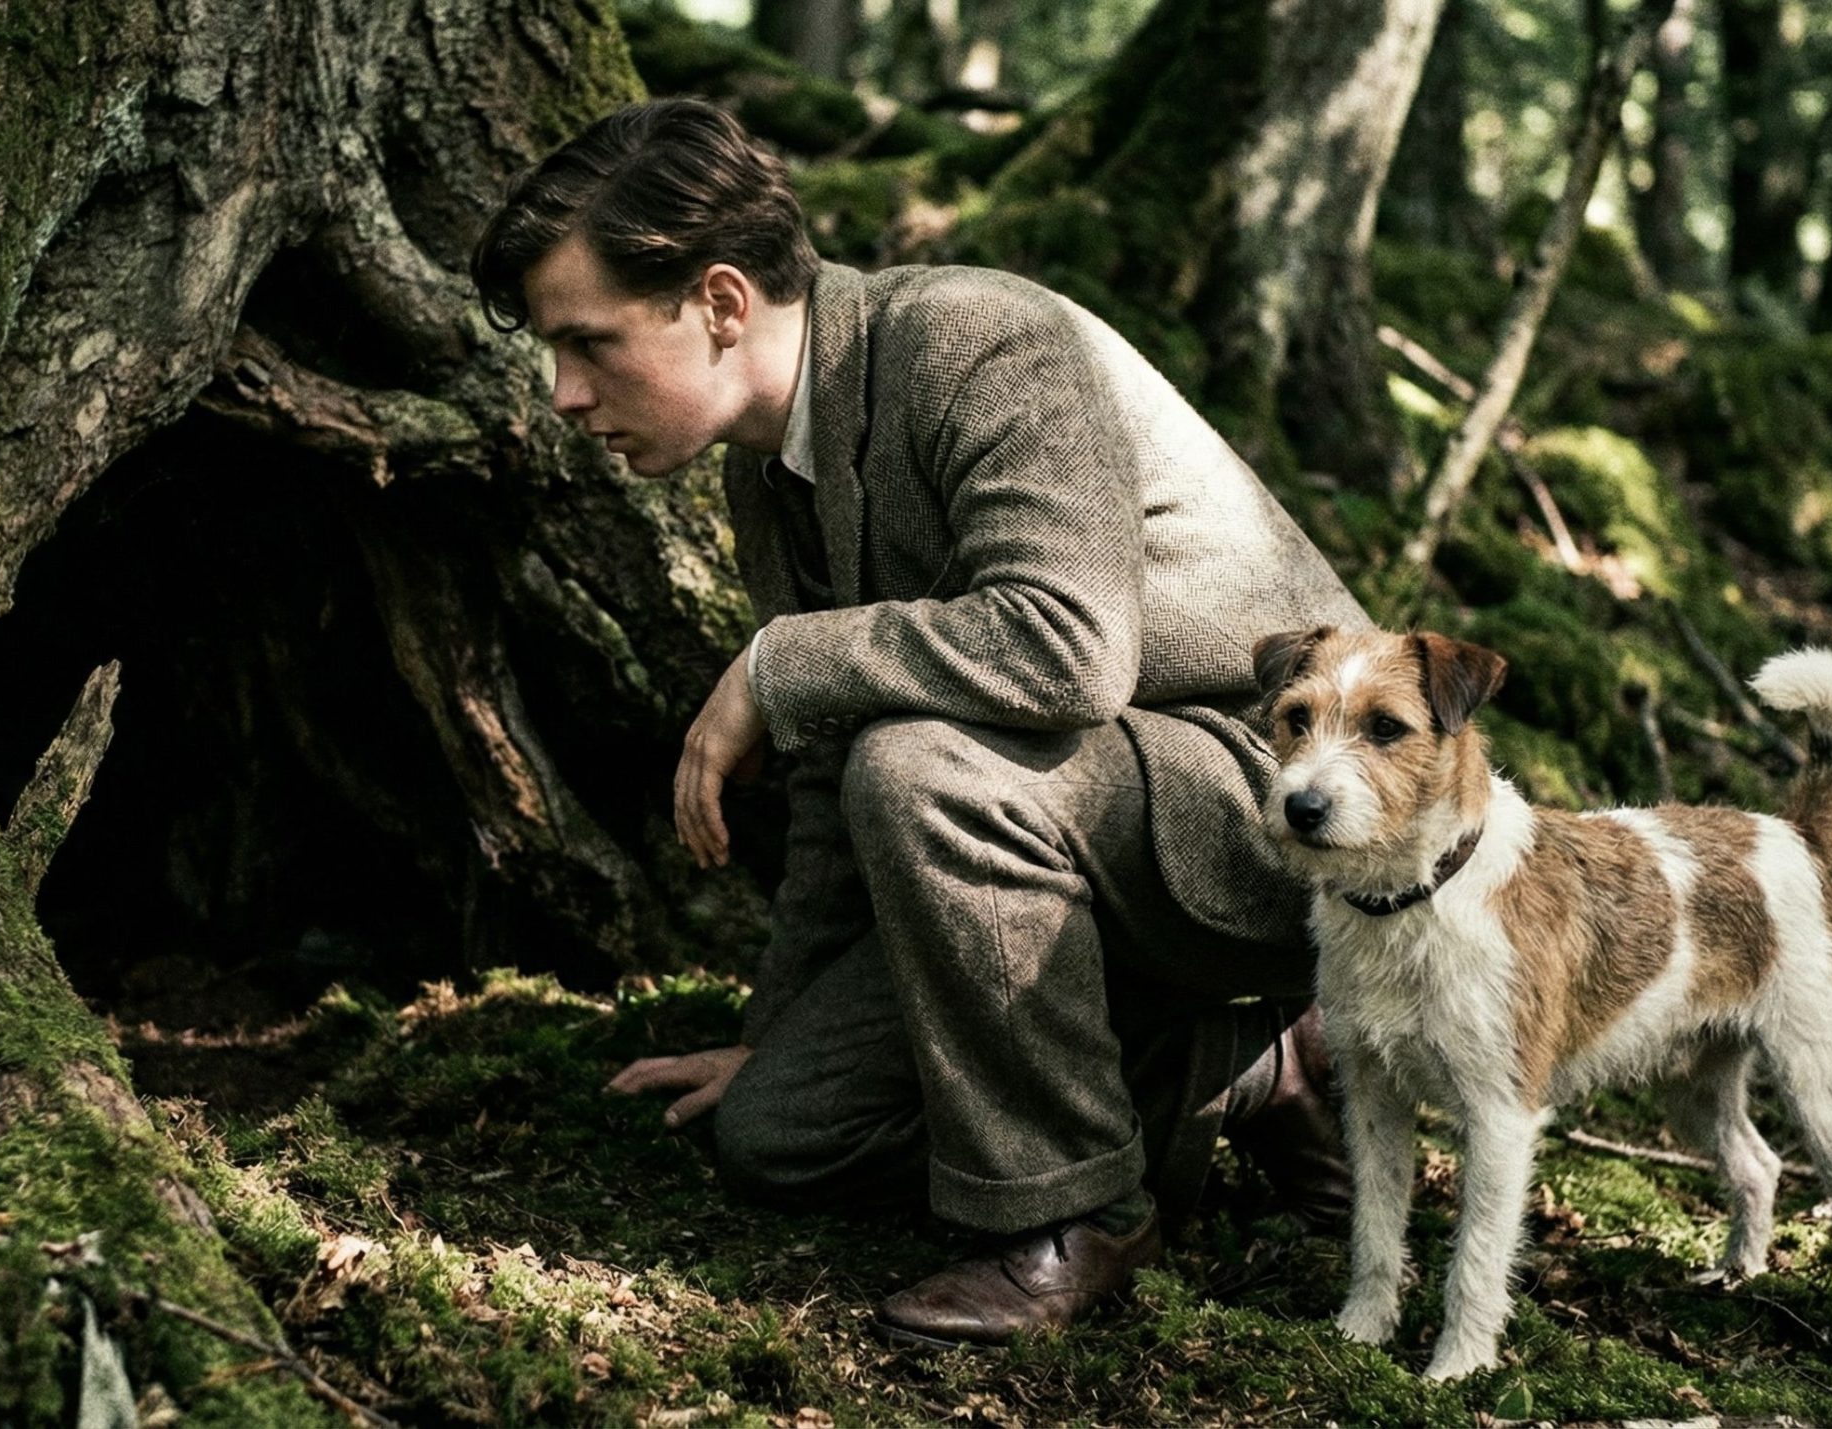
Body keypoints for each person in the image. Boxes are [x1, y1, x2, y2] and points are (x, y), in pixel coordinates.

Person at [470, 98, 1372, 1348]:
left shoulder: (975, 336)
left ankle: (1077, 1214)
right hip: (1087, 831)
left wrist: (780, 662)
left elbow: (1065, 645)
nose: (565, 394)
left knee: (921, 767)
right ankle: (1239, 1068)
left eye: (588, 344)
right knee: (782, 1132)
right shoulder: (766, 470)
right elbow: (830, 778)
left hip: (1282, 812)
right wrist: (777, 1035)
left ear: (721, 303)